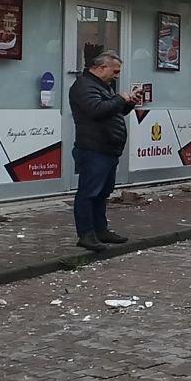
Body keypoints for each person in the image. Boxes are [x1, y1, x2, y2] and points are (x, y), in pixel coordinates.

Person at [68, 51, 140, 251]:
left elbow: (111, 110)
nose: (117, 75)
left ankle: (101, 230)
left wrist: (128, 103)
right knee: (89, 193)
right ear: (100, 68)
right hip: (93, 148)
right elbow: (96, 110)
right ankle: (86, 234)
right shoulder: (83, 85)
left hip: (107, 149)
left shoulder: (101, 86)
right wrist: (119, 99)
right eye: (115, 71)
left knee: (102, 193)